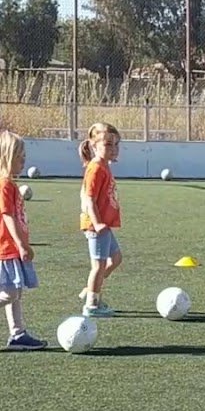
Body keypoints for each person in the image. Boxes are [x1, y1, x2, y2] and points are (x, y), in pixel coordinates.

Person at [0, 131, 46, 349]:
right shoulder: (4, 185)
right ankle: (17, 334)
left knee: (16, 293)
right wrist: (21, 244)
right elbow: (7, 216)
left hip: (12, 248)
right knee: (11, 292)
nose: (23, 161)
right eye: (20, 157)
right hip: (6, 248)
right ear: (7, 157)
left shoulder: (11, 185)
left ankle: (17, 334)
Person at [78, 122, 123, 317]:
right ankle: (92, 304)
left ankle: (90, 289)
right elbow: (89, 198)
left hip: (104, 226)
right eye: (108, 144)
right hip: (96, 227)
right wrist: (97, 223)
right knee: (98, 265)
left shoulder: (104, 167)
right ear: (94, 145)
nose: (114, 149)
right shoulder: (95, 168)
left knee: (116, 259)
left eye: (116, 144)